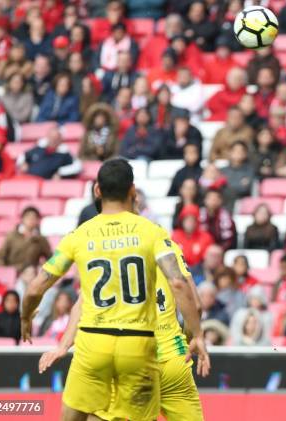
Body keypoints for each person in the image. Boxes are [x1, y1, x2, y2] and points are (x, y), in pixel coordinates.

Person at [21, 158, 205, 420]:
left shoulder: (83, 235)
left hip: (101, 345)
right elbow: (187, 294)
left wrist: (54, 338)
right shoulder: (157, 237)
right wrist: (193, 337)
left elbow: (48, 292)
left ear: (97, 190)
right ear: (133, 191)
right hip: (156, 350)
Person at [39, 238, 207, 421]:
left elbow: (81, 306)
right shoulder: (165, 244)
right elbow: (195, 304)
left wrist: (63, 346)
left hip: (132, 356)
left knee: (98, 415)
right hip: (174, 358)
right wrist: (189, 340)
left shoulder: (106, 253)